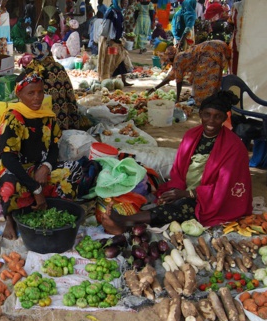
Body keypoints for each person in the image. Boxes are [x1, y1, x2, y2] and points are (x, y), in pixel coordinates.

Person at [101, 91, 252, 231]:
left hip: (213, 199)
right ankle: (131, 220)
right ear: (200, 114)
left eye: (217, 116)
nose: (211, 121)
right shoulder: (191, 136)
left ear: (225, 118)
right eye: (207, 115)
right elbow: (179, 171)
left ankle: (127, 221)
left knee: (181, 208)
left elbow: (224, 188)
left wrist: (187, 194)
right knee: (157, 190)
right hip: (187, 189)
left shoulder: (234, 147)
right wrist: (175, 191)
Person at [0, 71, 87, 239]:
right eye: (31, 93)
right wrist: (35, 189)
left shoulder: (47, 117)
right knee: (9, 184)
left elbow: (53, 147)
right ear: (19, 94)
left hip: (40, 169)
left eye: (40, 92)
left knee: (75, 169)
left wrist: (46, 167)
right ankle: (10, 218)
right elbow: (7, 159)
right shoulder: (12, 118)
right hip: (17, 170)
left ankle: (54, 207)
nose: (37, 98)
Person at [147, 40, 231, 107]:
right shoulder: (179, 57)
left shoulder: (178, 60)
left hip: (211, 49)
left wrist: (177, 99)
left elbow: (179, 81)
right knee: (212, 78)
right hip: (215, 46)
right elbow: (169, 77)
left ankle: (205, 103)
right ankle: (211, 101)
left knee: (202, 80)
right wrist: (154, 88)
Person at [27, 41, 90, 130]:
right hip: (60, 112)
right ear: (48, 52)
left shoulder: (31, 69)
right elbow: (69, 91)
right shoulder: (58, 67)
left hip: (40, 111)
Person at [98, 0, 134, 86]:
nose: (124, 5)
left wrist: (123, 35)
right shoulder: (111, 12)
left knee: (122, 59)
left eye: (126, 3)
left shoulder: (119, 12)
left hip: (117, 41)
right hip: (110, 41)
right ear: (118, 2)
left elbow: (120, 27)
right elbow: (106, 29)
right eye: (123, 3)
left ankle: (123, 80)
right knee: (110, 61)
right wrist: (112, 40)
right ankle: (107, 81)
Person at [228, 0, 245, 74]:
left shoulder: (237, 6)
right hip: (239, 42)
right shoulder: (237, 6)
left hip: (238, 41)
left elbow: (230, 25)